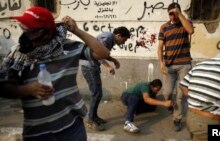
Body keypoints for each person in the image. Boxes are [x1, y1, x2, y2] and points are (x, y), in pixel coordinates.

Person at [1, 7, 110, 141]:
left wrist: (76, 30)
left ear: (46, 33)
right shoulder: (18, 54)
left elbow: (103, 53)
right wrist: (25, 90)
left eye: (30, 30)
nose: (24, 32)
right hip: (38, 133)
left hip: (73, 128)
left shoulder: (69, 47)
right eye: (23, 27)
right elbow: (3, 88)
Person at [79, 27, 131, 131]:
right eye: (124, 39)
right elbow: (96, 51)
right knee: (96, 93)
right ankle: (90, 119)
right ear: (118, 35)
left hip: (92, 66)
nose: (124, 42)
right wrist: (107, 66)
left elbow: (102, 52)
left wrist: (113, 60)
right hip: (89, 66)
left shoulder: (109, 38)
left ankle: (94, 116)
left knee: (98, 93)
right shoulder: (107, 38)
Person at [157, 2, 194, 132]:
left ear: (178, 12)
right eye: (170, 14)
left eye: (174, 14)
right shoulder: (164, 27)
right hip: (169, 65)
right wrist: (161, 62)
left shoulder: (185, 22)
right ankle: (170, 105)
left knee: (180, 95)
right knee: (166, 92)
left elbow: (190, 30)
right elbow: (160, 46)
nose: (172, 17)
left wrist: (180, 14)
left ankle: (177, 119)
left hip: (184, 64)